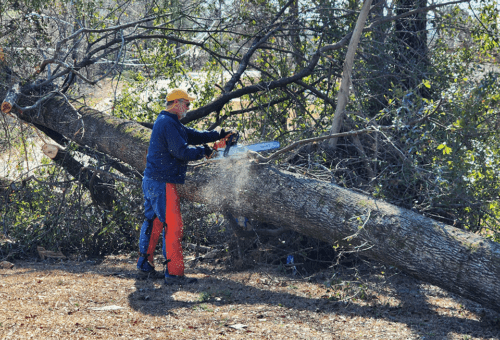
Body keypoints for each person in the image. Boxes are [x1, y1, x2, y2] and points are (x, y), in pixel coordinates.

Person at [137, 88, 234, 285]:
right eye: (187, 104)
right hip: (162, 182)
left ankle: (144, 265)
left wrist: (219, 134)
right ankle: (174, 273)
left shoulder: (168, 122)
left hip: (152, 180)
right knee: (173, 225)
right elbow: (180, 151)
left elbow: (193, 135)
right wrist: (207, 151)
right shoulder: (168, 123)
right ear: (176, 103)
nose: (189, 108)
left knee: (153, 222)